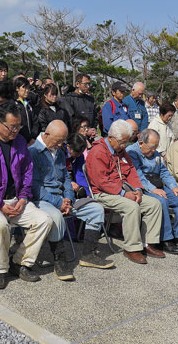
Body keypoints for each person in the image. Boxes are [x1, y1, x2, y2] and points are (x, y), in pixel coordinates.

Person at [0, 101, 53, 290]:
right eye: (12, 127)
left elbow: (27, 174)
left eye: (18, 126)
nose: (16, 130)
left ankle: (20, 262)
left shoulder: (20, 142)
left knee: (44, 220)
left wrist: (23, 198)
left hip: (15, 200)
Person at [30, 120, 114, 280]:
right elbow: (35, 187)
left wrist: (68, 198)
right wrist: (58, 202)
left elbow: (66, 180)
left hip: (63, 199)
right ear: (47, 135)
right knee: (55, 216)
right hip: (43, 200)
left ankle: (88, 254)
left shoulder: (59, 151)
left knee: (96, 209)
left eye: (63, 140)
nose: (62, 144)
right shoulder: (33, 152)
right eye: (59, 140)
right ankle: (59, 261)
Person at [85, 119, 164, 264]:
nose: (123, 146)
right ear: (110, 138)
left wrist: (138, 189)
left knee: (154, 204)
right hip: (103, 193)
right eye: (121, 142)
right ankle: (132, 248)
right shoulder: (98, 151)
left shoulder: (120, 150)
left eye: (126, 142)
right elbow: (101, 181)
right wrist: (123, 194)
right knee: (131, 207)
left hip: (123, 190)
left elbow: (132, 171)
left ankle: (148, 243)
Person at [127, 129, 178, 254]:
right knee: (161, 201)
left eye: (156, 147)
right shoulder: (132, 153)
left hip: (157, 183)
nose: (154, 150)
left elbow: (164, 172)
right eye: (152, 147)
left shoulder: (155, 153)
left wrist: (173, 187)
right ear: (141, 143)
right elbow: (138, 176)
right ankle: (165, 238)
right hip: (144, 186)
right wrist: (154, 190)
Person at [14, 77, 38, 144]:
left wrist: (33, 138)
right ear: (17, 88)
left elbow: (35, 122)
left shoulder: (29, 104)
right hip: (17, 141)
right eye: (24, 87)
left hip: (31, 141)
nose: (27, 90)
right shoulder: (13, 104)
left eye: (28, 88)